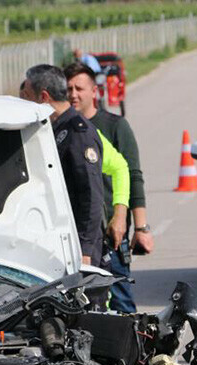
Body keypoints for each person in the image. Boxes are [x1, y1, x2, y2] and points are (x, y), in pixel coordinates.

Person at [65, 62, 153, 313]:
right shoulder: (64, 128)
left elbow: (132, 174)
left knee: (121, 299)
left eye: (79, 88)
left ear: (94, 91)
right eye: (69, 88)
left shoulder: (115, 126)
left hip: (112, 232)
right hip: (79, 233)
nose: (73, 94)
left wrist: (140, 226)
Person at [20, 64, 104, 266]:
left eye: (27, 95)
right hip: (60, 240)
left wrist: (85, 250)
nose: (23, 102)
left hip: (79, 246)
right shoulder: (54, 128)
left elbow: (91, 195)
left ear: (44, 97)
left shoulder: (78, 133)